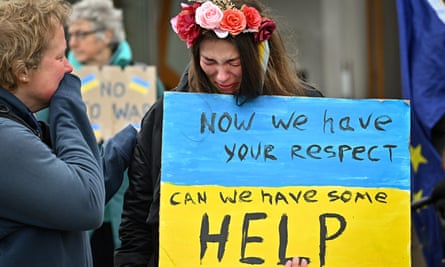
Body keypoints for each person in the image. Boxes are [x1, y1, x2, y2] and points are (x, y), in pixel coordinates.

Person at [115, 0, 322, 266]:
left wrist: (305, 251)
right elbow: (137, 217)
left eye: (234, 63)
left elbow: (317, 203)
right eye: (209, 61)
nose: (222, 75)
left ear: (260, 54)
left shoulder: (305, 110)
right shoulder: (166, 116)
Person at [0, 0, 133, 266]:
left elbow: (68, 192)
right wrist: (69, 101)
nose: (69, 68)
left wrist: (124, 145)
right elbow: (86, 204)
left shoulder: (16, 124)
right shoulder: (6, 139)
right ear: (22, 70)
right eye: (60, 57)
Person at [66, 1, 163, 266]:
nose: (73, 43)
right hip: (79, 203)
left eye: (81, 34)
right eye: (70, 34)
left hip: (131, 205)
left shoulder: (144, 80)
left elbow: (159, 138)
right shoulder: (60, 80)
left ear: (107, 35)